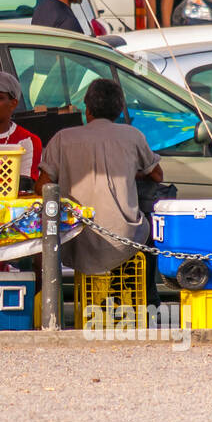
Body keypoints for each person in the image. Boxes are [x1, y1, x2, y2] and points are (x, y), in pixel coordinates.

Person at [38, 78, 162, 276]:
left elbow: (43, 186)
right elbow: (156, 175)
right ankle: (144, 297)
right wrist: (127, 173)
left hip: (76, 239)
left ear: (87, 109)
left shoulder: (63, 138)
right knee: (149, 227)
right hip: (124, 238)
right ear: (119, 110)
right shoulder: (133, 135)